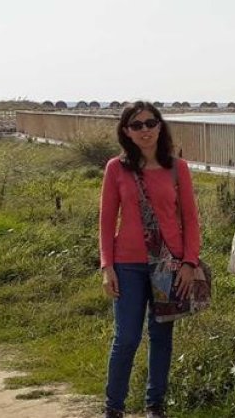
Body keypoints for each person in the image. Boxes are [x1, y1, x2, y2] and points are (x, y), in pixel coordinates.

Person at [98, 101, 202, 418]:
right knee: (126, 338)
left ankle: (154, 405)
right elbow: (105, 220)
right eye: (136, 125)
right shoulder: (116, 168)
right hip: (126, 264)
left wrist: (189, 262)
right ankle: (114, 407)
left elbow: (191, 218)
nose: (145, 130)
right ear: (126, 131)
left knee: (161, 337)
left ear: (160, 125)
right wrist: (107, 266)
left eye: (150, 122)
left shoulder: (177, 168)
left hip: (167, 265)